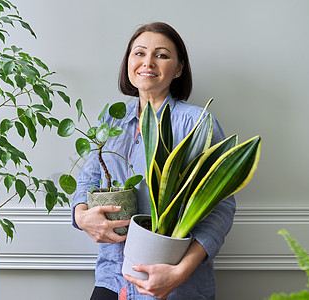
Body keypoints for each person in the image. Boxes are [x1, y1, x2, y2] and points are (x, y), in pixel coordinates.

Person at [71, 22, 236, 299]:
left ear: (179, 68)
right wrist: (82, 216)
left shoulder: (197, 124)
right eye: (139, 53)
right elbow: (88, 180)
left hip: (174, 284)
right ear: (128, 62)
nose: (148, 62)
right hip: (112, 278)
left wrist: (180, 272)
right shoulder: (111, 118)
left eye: (161, 55)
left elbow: (220, 209)